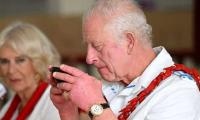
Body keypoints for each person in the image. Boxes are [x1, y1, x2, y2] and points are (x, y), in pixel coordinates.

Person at [49, 0, 200, 120]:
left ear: (129, 42)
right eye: (87, 47)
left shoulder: (178, 92)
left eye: (98, 46)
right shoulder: (109, 83)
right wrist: (68, 112)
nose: (89, 58)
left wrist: (96, 106)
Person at [0, 22, 61, 120]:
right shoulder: (11, 106)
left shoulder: (55, 102)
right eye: (4, 61)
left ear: (39, 61)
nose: (11, 70)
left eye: (20, 60)